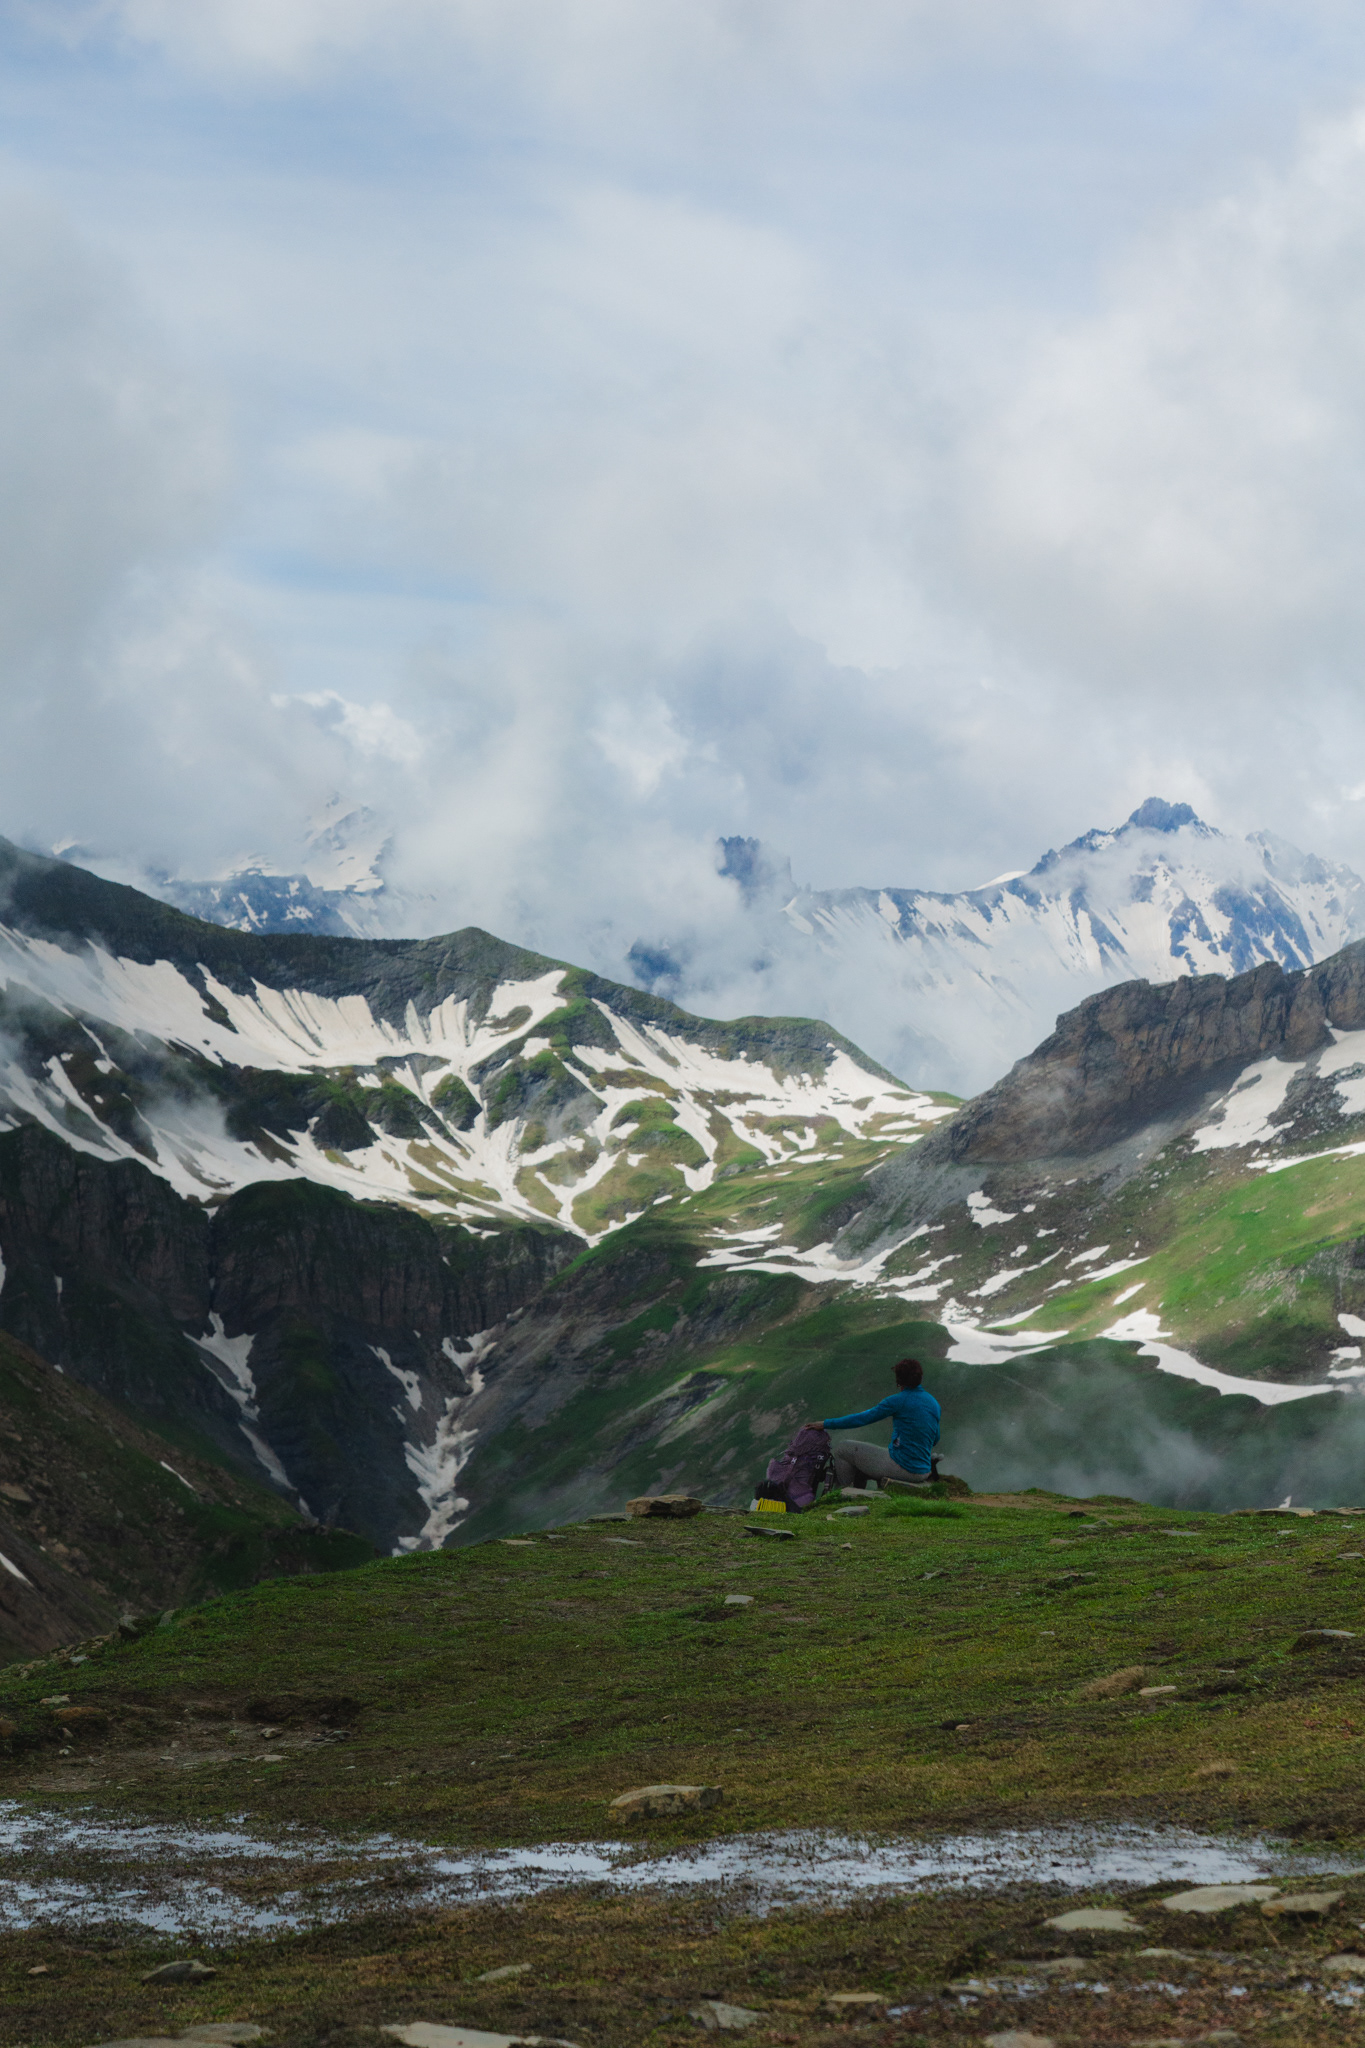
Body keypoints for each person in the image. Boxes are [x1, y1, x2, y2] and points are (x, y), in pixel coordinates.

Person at [810, 1356, 941, 1489]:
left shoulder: (897, 1401)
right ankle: (856, 1494)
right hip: (923, 1470)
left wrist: (826, 1423)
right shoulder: (933, 1403)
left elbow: (863, 1418)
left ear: (899, 1380)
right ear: (920, 1378)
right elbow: (935, 1439)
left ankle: (842, 1495)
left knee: (843, 1449)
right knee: (865, 1456)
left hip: (903, 1468)